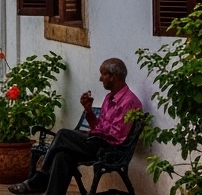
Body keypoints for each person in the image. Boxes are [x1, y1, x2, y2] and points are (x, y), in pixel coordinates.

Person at [8, 57, 143, 195]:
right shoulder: (109, 98)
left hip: (110, 150)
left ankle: (40, 179)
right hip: (98, 143)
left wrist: (90, 134)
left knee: (63, 134)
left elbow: (116, 136)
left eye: (103, 74)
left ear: (112, 77)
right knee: (62, 155)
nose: (100, 79)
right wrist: (89, 111)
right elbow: (99, 127)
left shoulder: (129, 102)